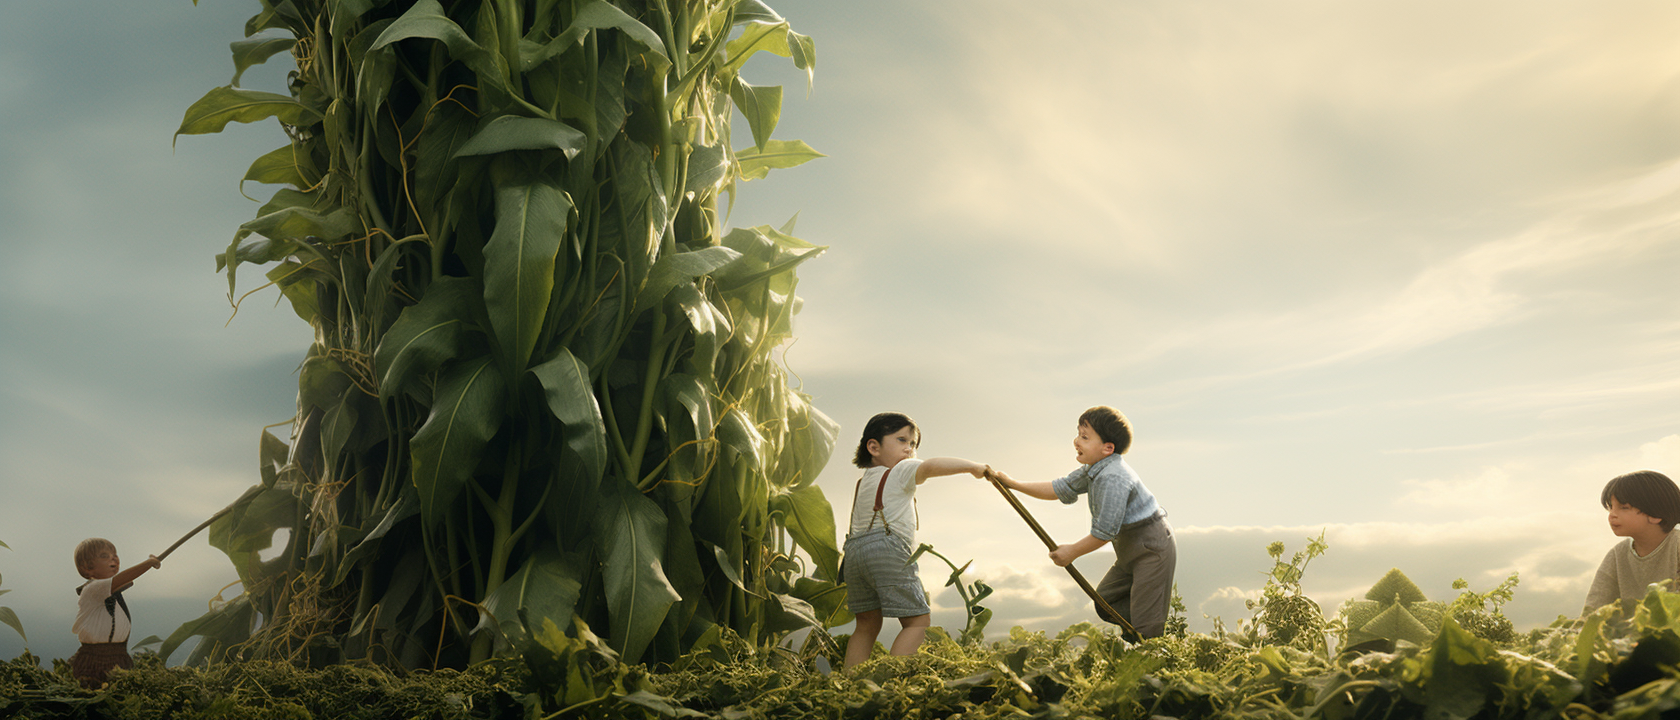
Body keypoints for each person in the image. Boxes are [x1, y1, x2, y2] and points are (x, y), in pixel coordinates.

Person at [992, 406, 1175, 640]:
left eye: (1085, 437)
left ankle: (1151, 643)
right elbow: (1059, 489)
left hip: (1151, 547)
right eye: (1078, 434)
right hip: (1129, 548)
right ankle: (1144, 630)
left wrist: (1072, 552)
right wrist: (1012, 484)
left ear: (1108, 448)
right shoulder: (1094, 469)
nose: (1076, 441)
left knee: (1146, 624)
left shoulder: (1113, 478)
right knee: (1105, 601)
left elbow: (1105, 532)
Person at [842, 412, 988, 668]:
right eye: (902, 440)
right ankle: (889, 679)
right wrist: (972, 467)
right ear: (873, 447)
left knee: (866, 625)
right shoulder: (901, 470)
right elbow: (930, 467)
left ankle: (849, 682)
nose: (909, 449)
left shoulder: (862, 482)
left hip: (854, 554)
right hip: (887, 550)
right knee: (917, 622)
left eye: (913, 444)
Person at [1583, 470, 1680, 617]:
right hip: (1634, 638)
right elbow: (1595, 609)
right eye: (1610, 507)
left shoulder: (1677, 545)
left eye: (1624, 507)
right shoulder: (1617, 554)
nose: (1612, 514)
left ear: (1655, 515)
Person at [69, 538, 161, 688]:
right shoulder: (94, 589)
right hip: (97, 658)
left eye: (115, 554)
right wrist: (148, 563)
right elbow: (124, 578)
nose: (114, 558)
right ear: (87, 568)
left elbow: (124, 581)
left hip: (119, 655)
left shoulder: (110, 591)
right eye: (105, 556)